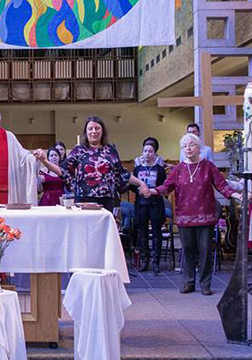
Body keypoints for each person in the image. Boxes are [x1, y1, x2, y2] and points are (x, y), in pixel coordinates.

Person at [145, 133, 239, 295]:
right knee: (187, 250)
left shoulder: (208, 166)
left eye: (191, 145)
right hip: (184, 216)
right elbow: (166, 187)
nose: (188, 148)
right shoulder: (179, 169)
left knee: (204, 250)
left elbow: (222, 186)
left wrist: (237, 195)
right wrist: (152, 191)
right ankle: (188, 282)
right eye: (184, 146)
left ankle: (205, 284)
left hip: (206, 216)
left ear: (199, 147)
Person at [36, 116, 148, 212]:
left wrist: (141, 183)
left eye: (97, 128)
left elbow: (123, 173)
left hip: (107, 200)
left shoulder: (110, 151)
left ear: (102, 131)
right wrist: (44, 161)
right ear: (86, 132)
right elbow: (63, 170)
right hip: (84, 201)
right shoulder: (79, 150)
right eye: (90, 129)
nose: (94, 131)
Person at [132, 137, 167, 274]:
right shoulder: (137, 169)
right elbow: (132, 186)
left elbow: (164, 186)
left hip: (155, 203)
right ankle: (144, 261)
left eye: (150, 151)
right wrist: (140, 190)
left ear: (154, 154)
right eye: (145, 151)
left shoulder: (159, 169)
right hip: (141, 204)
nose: (147, 153)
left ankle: (156, 262)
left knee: (157, 233)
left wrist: (152, 192)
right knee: (143, 233)